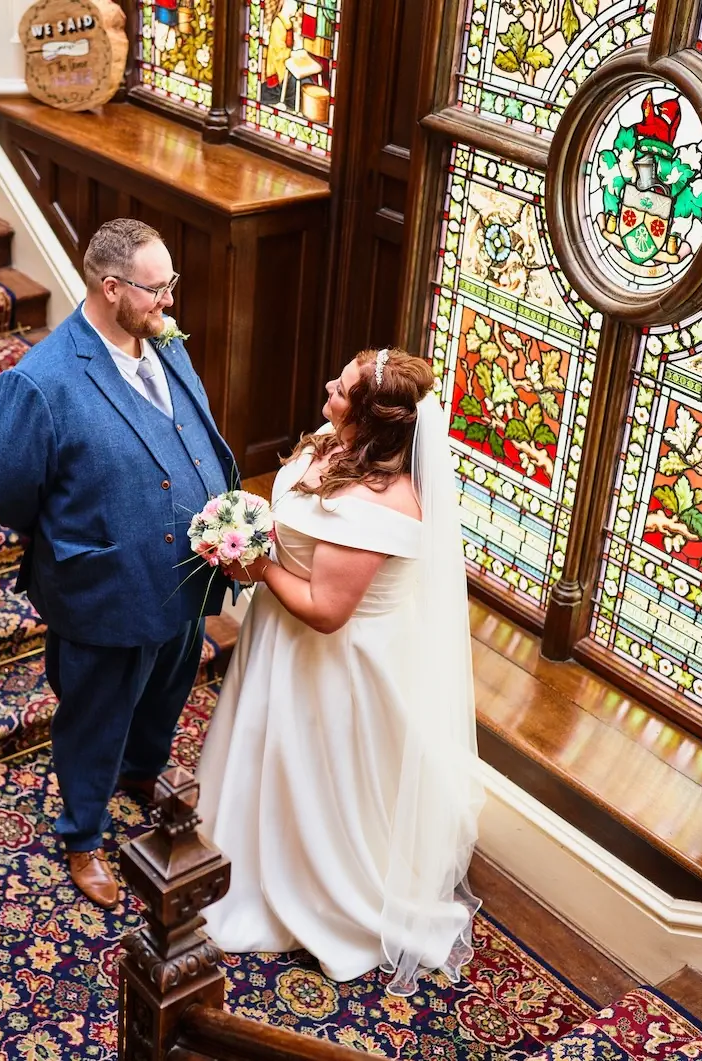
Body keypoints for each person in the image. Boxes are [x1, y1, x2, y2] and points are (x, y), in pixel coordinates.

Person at [196, 348, 485, 995]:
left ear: (372, 421)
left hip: (331, 669)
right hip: (285, 642)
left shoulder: (380, 506)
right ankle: (249, 853)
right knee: (266, 761)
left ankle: (316, 889)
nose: (327, 386)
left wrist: (255, 563)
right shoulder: (337, 442)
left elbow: (326, 612)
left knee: (313, 780)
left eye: (342, 388)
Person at [0, 219, 237, 909]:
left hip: (187, 573)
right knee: (95, 716)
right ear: (110, 286)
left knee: (169, 689)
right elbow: (8, 492)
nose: (170, 303)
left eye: (170, 285)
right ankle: (82, 835)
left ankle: (141, 770)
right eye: (158, 289)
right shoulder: (40, 382)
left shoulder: (161, 341)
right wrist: (80, 540)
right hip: (105, 586)